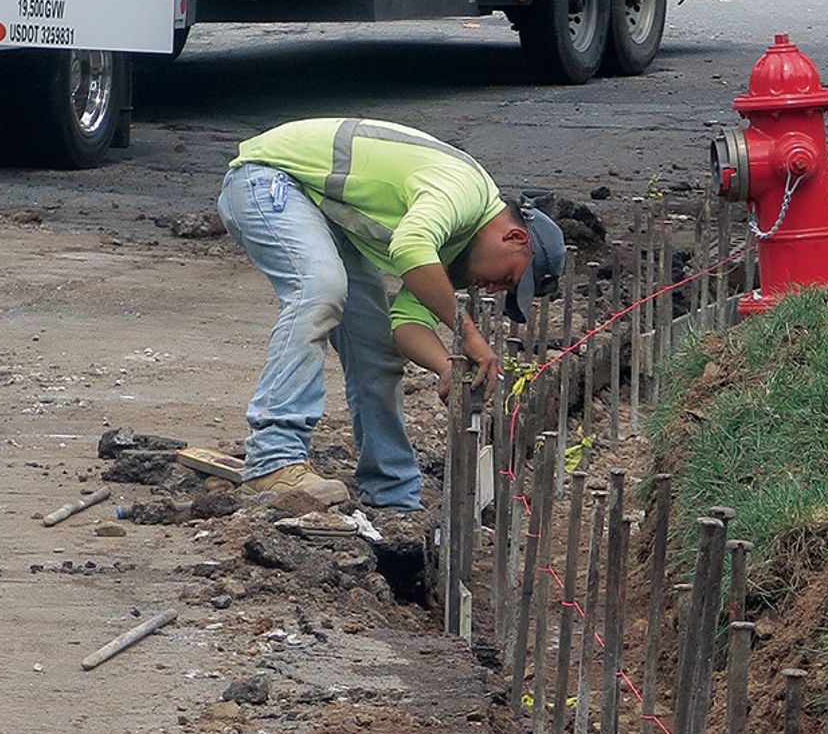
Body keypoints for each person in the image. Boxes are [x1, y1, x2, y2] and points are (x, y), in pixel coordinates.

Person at [217, 117, 566, 511]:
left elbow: (406, 324)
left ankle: (394, 496)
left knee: (377, 346)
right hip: (269, 179)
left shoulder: (453, 249)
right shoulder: (464, 189)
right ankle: (272, 460)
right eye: (506, 279)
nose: (491, 289)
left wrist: (446, 365)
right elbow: (410, 247)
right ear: (514, 237)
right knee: (319, 288)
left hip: (323, 211)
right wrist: (469, 337)